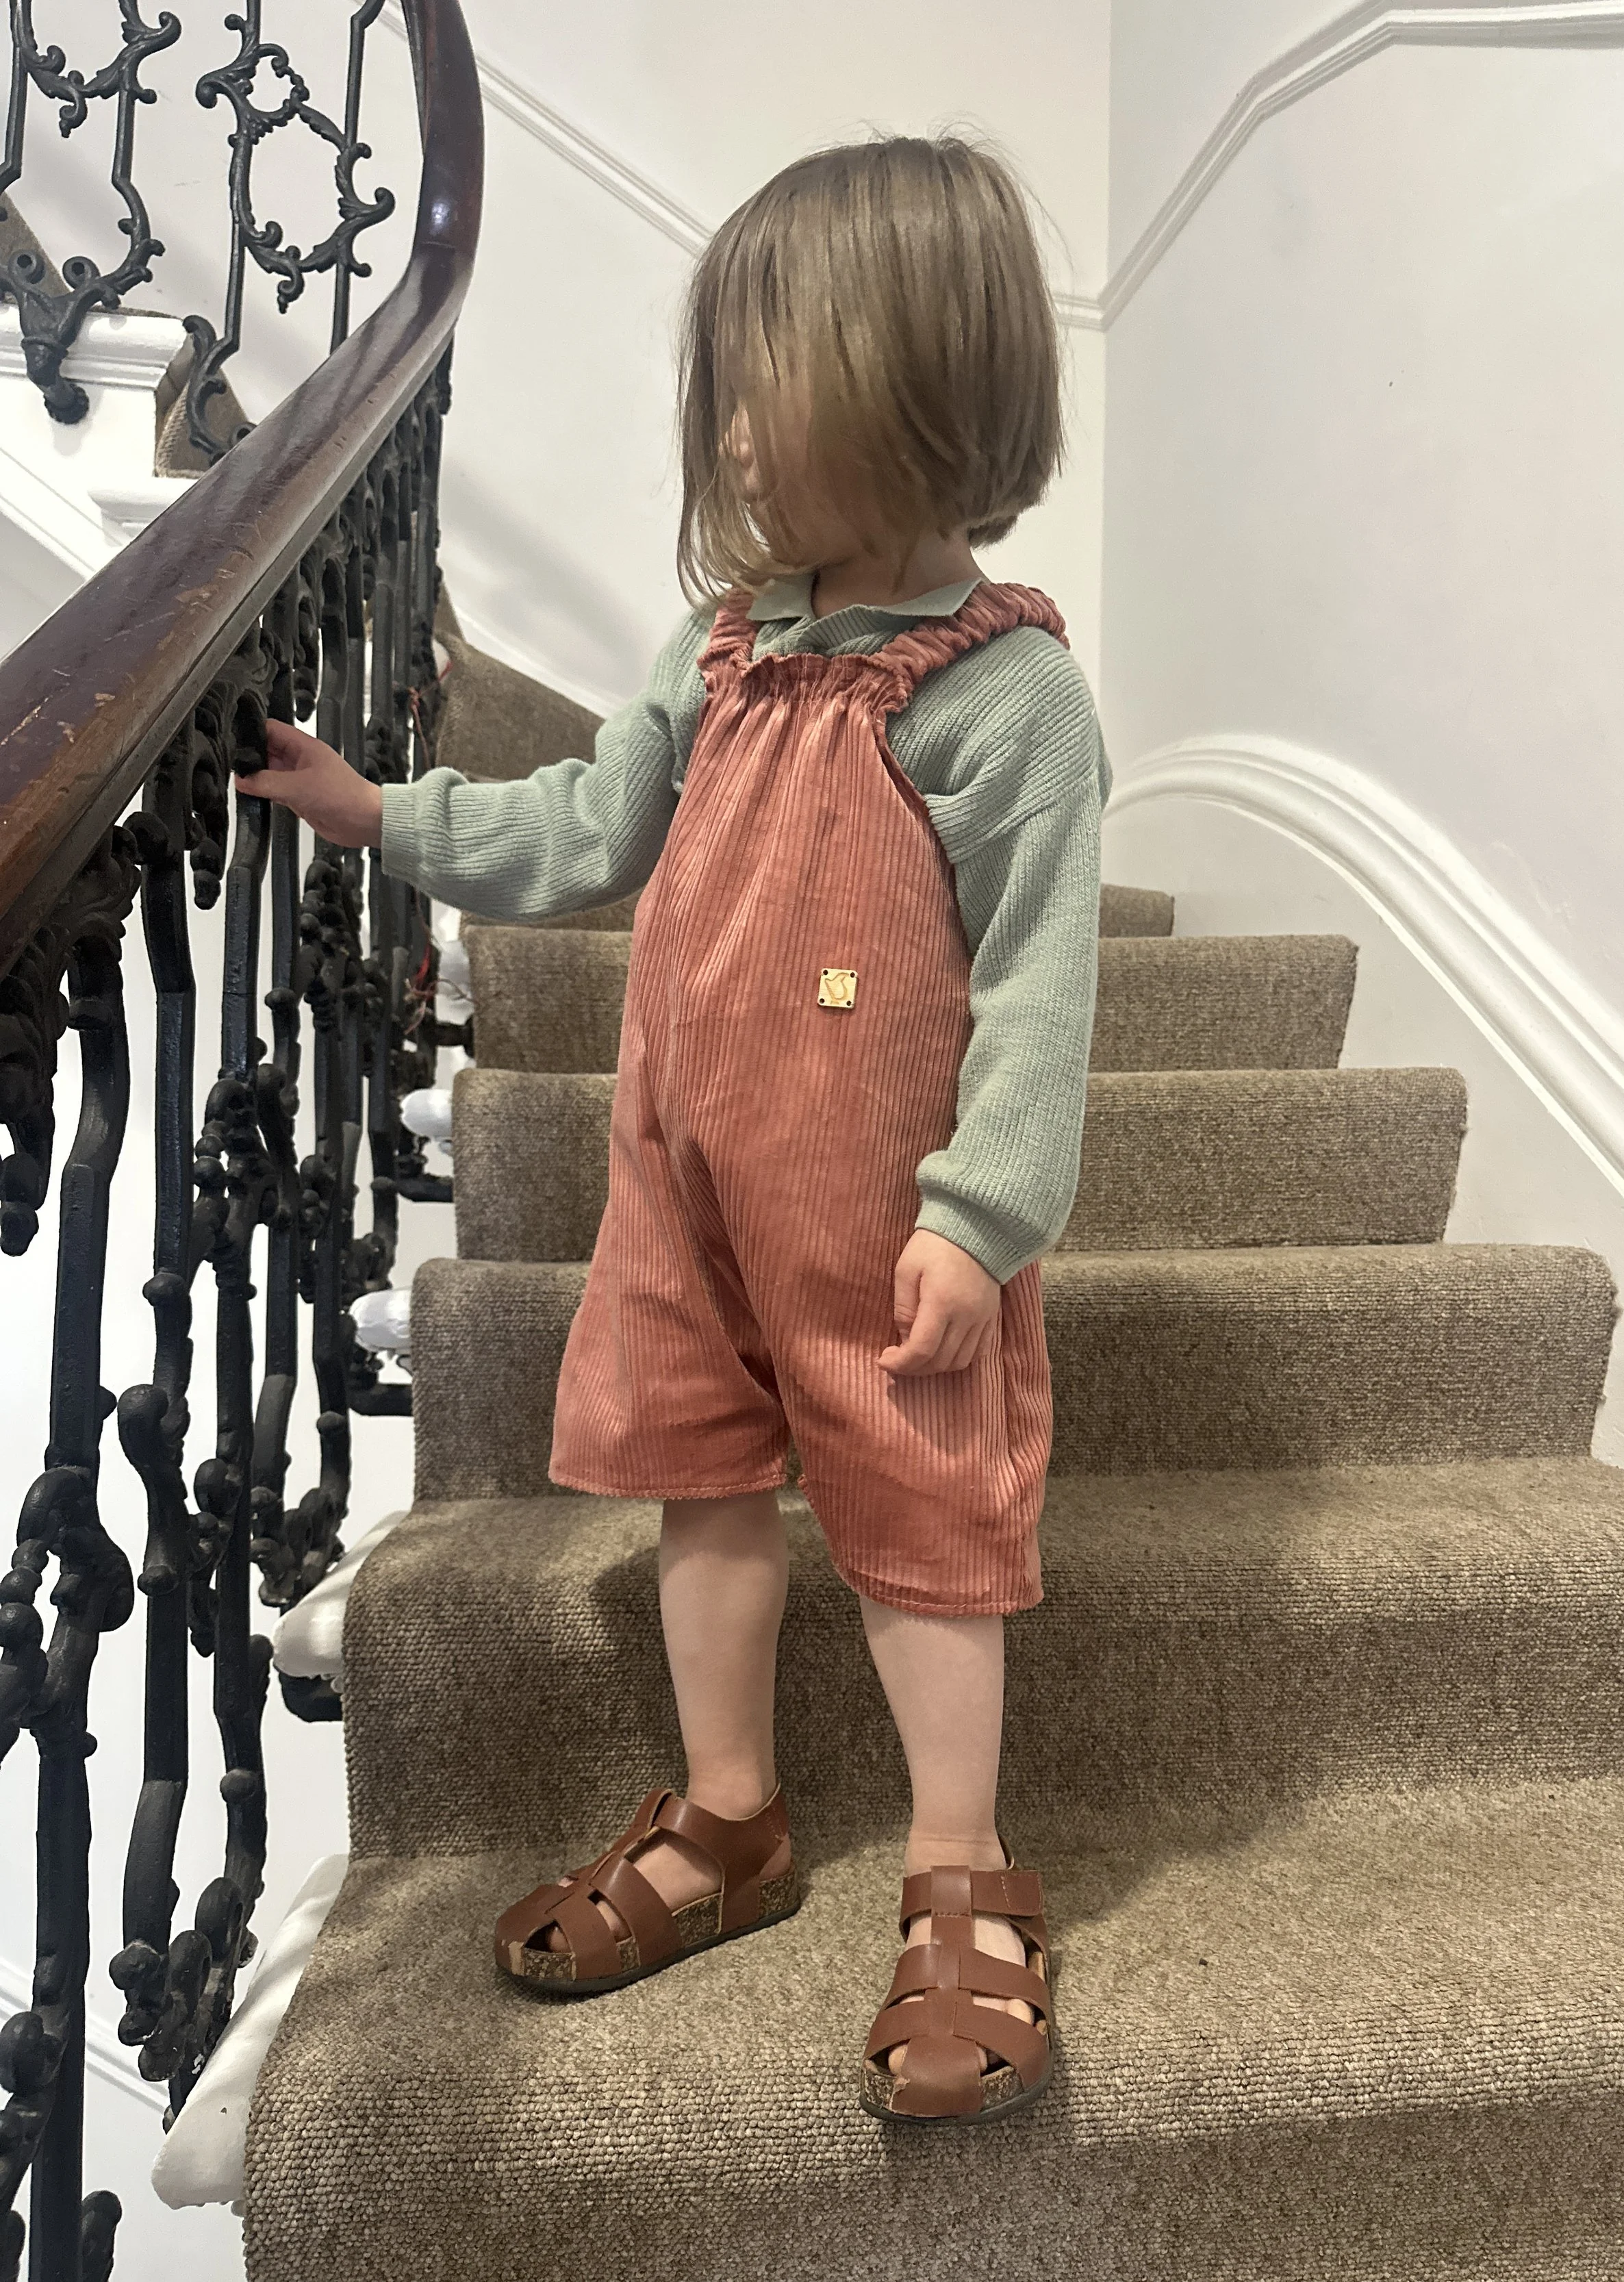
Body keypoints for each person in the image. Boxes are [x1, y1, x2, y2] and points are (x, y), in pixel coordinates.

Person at [238, 132, 1108, 2126]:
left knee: (919, 1534)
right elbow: (582, 826)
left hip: (883, 1222)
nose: (720, 433)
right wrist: (392, 815)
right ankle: (732, 1812)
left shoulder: (1002, 702)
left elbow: (1047, 986)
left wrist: (981, 1218)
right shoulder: (712, 655)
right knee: (701, 1492)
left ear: (918, 392)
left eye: (761, 384)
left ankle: (960, 1866)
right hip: (683, 1199)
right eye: (714, 385)